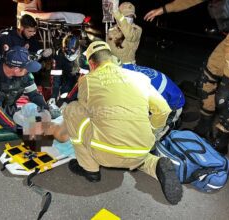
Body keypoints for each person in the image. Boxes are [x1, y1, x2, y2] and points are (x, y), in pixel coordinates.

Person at [61, 41, 183, 205]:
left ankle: (89, 170)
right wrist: (152, 131)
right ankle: (155, 164)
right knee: (134, 150)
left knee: (72, 109)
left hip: (104, 153)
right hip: (140, 150)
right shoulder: (140, 78)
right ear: (112, 58)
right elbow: (163, 110)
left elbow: (85, 110)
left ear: (91, 63)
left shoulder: (87, 80)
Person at [144, 0, 229, 154]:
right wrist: (163, 9)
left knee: (228, 95)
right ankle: (204, 127)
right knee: (206, 80)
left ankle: (220, 141)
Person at [122, 63, 185, 139]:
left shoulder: (127, 83)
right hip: (164, 92)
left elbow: (162, 112)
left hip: (173, 103)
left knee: (156, 133)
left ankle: (156, 143)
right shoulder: (123, 68)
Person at [48, 34, 88, 106]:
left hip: (83, 81)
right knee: (64, 95)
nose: (69, 53)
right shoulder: (59, 54)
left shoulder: (85, 54)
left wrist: (70, 98)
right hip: (67, 79)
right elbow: (56, 77)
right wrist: (54, 96)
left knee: (80, 98)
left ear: (78, 48)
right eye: (66, 50)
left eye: (72, 50)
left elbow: (85, 77)